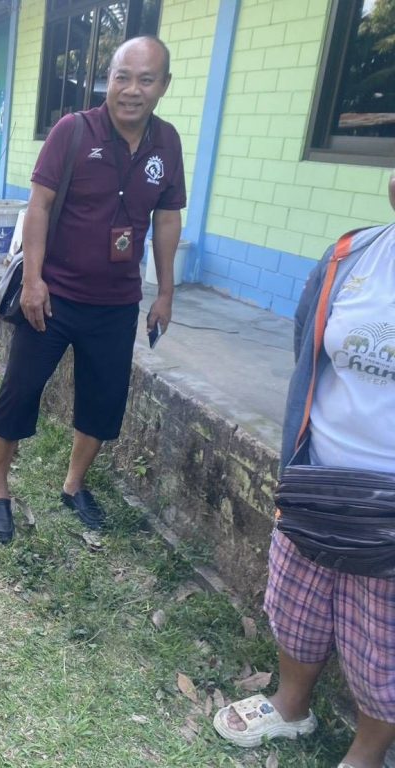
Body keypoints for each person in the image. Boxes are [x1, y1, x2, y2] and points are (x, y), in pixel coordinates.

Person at [213, 169, 395, 768]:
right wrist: (302, 457)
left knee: (384, 642)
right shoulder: (350, 256)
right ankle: (291, 707)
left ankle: (366, 753)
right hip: (317, 478)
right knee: (297, 604)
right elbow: (307, 352)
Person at [0, 35, 185, 543]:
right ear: (107, 80)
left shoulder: (167, 142)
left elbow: (167, 219)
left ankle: (73, 486)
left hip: (117, 304)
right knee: (19, 393)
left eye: (145, 79)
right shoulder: (73, 131)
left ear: (163, 85)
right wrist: (34, 280)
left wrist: (164, 292)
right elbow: (40, 206)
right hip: (53, 297)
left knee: (102, 400)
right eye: (122, 77)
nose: (132, 90)